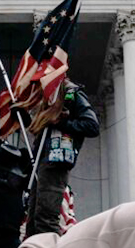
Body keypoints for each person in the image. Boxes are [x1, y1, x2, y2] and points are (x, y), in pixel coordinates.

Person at [25, 79, 99, 237]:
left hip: (56, 162)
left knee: (46, 219)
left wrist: (61, 122)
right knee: (33, 221)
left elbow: (92, 126)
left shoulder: (71, 93)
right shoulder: (46, 95)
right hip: (42, 162)